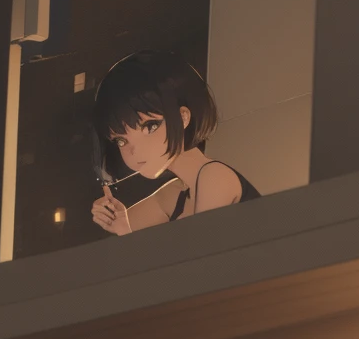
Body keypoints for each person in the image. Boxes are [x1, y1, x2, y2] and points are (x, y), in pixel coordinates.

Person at [90, 50, 259, 236]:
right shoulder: (174, 194)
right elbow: (129, 236)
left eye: (150, 127)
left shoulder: (214, 177)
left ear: (183, 117)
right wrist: (119, 223)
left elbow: (201, 258)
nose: (135, 151)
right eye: (121, 140)